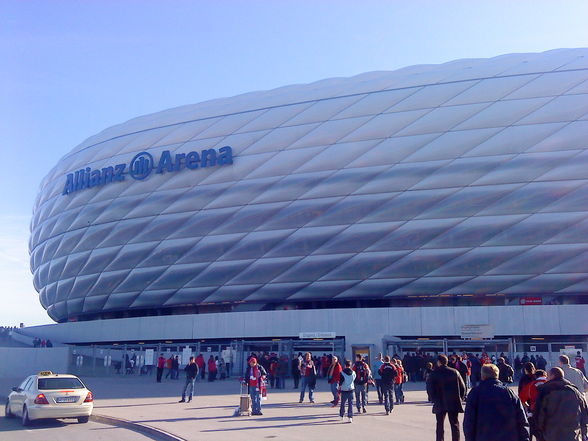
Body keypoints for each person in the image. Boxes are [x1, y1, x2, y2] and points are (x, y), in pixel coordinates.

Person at [463, 363, 529, 441]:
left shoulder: (475, 393)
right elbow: (521, 420)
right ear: (497, 375)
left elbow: (469, 421)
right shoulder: (509, 392)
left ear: (482, 376)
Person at [535, 367, 588, 441]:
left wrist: (539, 432)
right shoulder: (575, 392)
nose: (546, 379)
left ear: (552, 376)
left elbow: (539, 414)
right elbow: (584, 413)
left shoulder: (545, 391)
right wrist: (584, 433)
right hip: (572, 434)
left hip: (550, 434)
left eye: (548, 376)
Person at [427, 354, 466, 441]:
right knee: (454, 424)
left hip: (439, 401)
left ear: (439, 362)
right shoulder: (455, 372)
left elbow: (429, 387)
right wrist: (460, 398)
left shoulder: (434, 373)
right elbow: (463, 387)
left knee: (440, 424)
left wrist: (432, 398)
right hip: (453, 401)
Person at [519, 369, 548, 441]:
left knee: (538, 432)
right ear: (545, 375)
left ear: (536, 376)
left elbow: (522, 398)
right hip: (550, 411)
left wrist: (527, 407)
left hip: (535, 411)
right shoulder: (550, 383)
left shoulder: (531, 385)